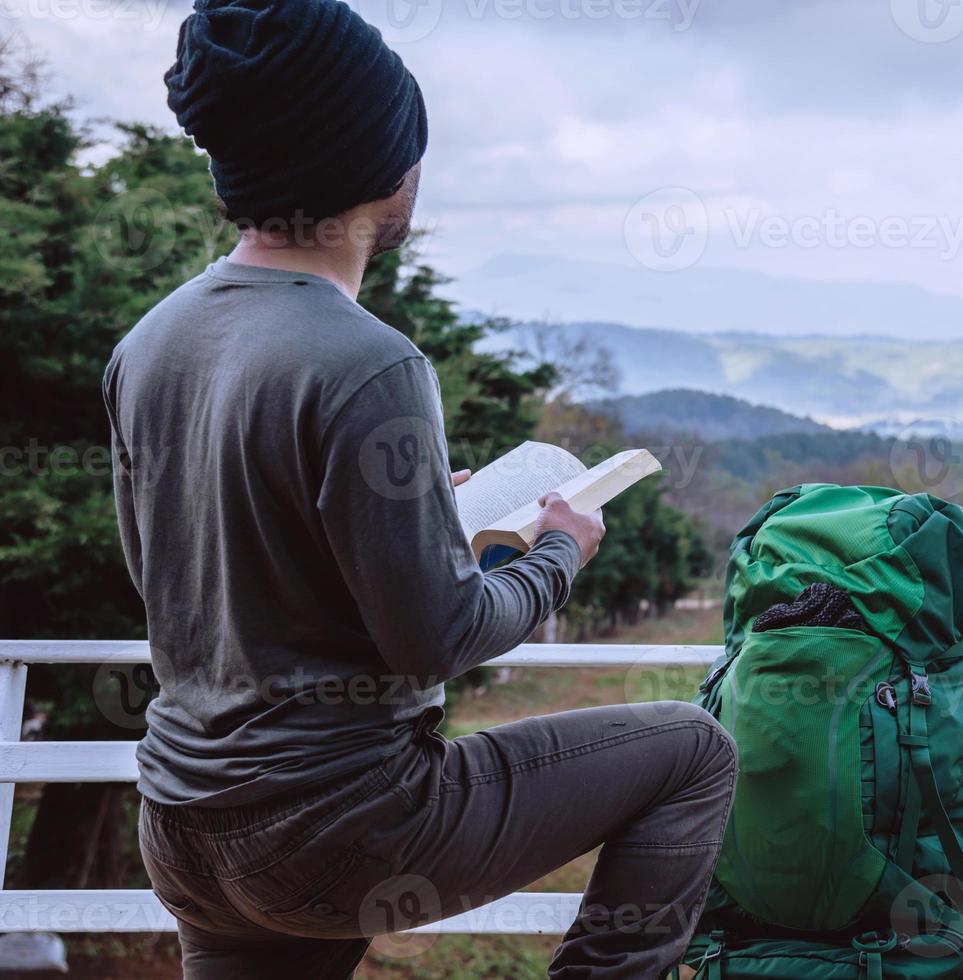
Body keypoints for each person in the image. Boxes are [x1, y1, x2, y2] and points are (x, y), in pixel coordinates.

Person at [103, 1, 736, 976]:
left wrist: (413, 513)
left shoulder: (151, 342)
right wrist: (558, 549)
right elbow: (435, 636)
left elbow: (180, 577)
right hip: (344, 831)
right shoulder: (368, 362)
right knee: (692, 747)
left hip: (186, 827)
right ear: (374, 165)